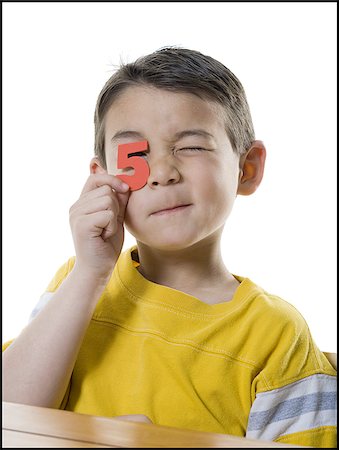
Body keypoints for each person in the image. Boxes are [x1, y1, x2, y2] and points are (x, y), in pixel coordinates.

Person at [3, 47, 336, 447]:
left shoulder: (275, 334)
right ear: (103, 178)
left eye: (191, 146)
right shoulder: (77, 286)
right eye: (135, 155)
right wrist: (90, 273)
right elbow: (9, 417)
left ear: (247, 168)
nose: (162, 172)